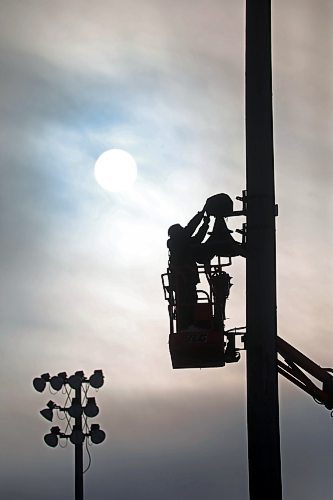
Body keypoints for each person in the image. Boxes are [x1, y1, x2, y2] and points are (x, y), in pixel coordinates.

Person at [167, 210, 210, 331]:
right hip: (181, 279)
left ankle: (192, 324)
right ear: (176, 233)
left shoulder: (183, 242)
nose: (183, 231)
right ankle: (187, 325)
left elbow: (197, 239)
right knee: (185, 302)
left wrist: (205, 225)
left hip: (187, 278)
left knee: (191, 301)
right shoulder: (175, 242)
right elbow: (190, 229)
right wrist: (200, 216)